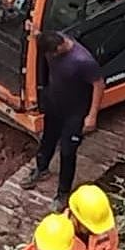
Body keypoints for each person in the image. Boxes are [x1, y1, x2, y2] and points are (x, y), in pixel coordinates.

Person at [22, 31, 105, 211]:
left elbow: (98, 84)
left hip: (75, 111)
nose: (50, 57)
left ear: (60, 47)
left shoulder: (83, 61)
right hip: (54, 104)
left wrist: (92, 116)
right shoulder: (52, 41)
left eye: (52, 53)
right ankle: (41, 169)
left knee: (67, 152)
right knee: (47, 140)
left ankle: (63, 193)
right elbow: (37, 33)